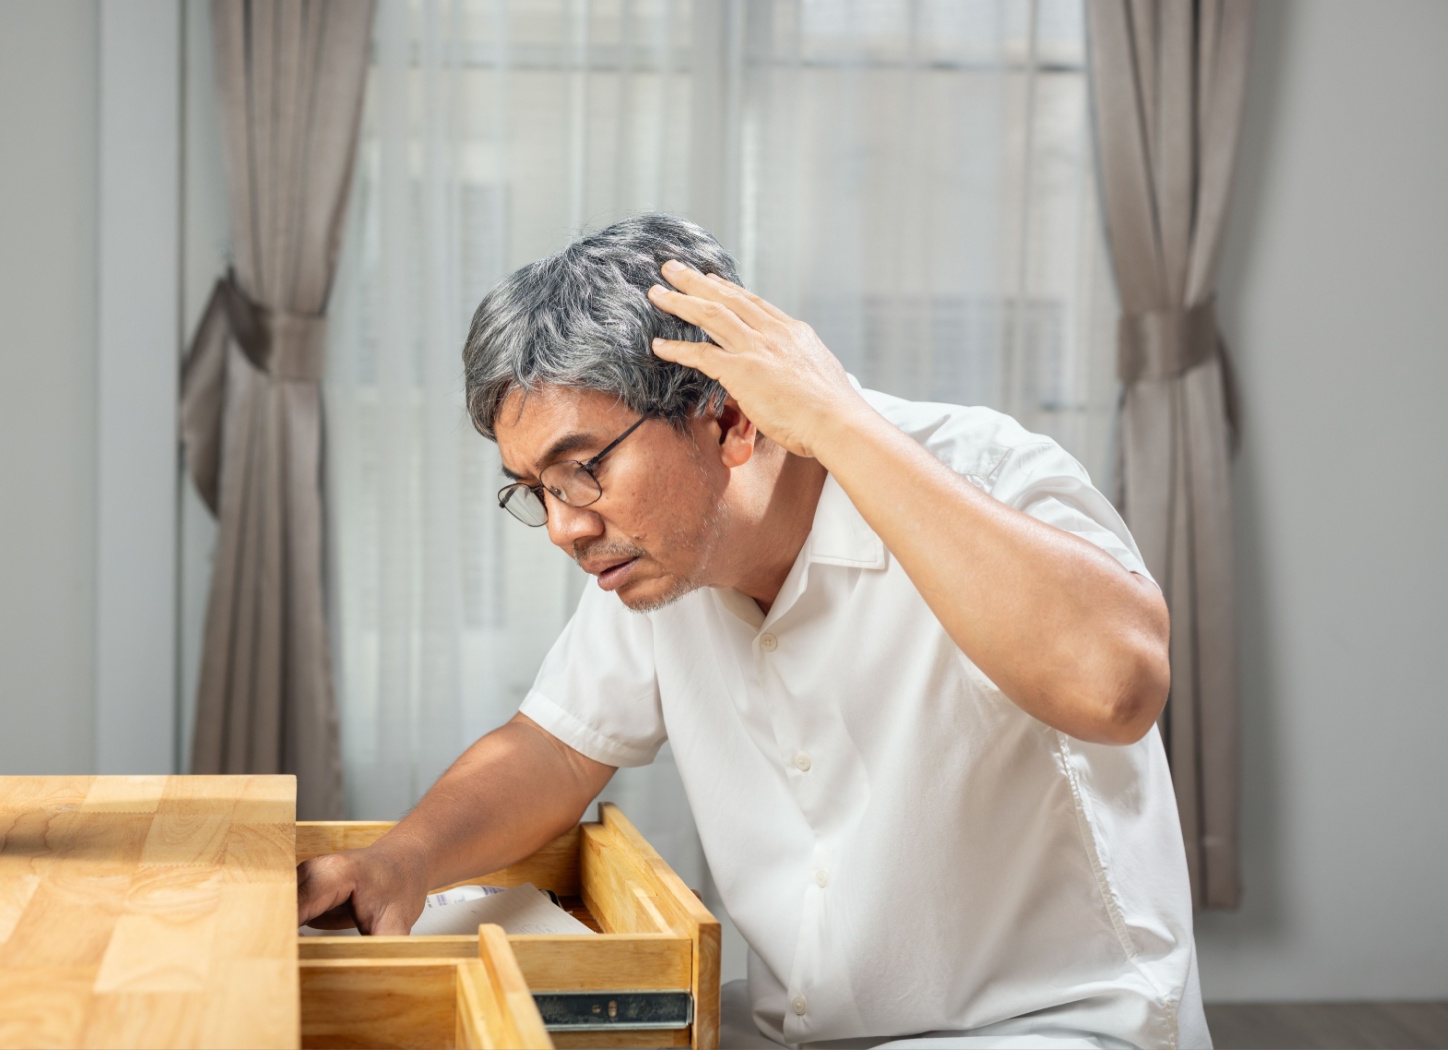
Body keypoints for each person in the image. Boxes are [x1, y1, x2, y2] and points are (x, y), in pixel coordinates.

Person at [297, 214, 1209, 1049]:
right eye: (536, 491)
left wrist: (838, 421)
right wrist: (401, 861)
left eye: (581, 472)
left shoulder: (984, 471)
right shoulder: (659, 557)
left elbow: (1117, 688)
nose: (568, 526)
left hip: (1052, 1027)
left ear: (727, 417)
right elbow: (555, 749)